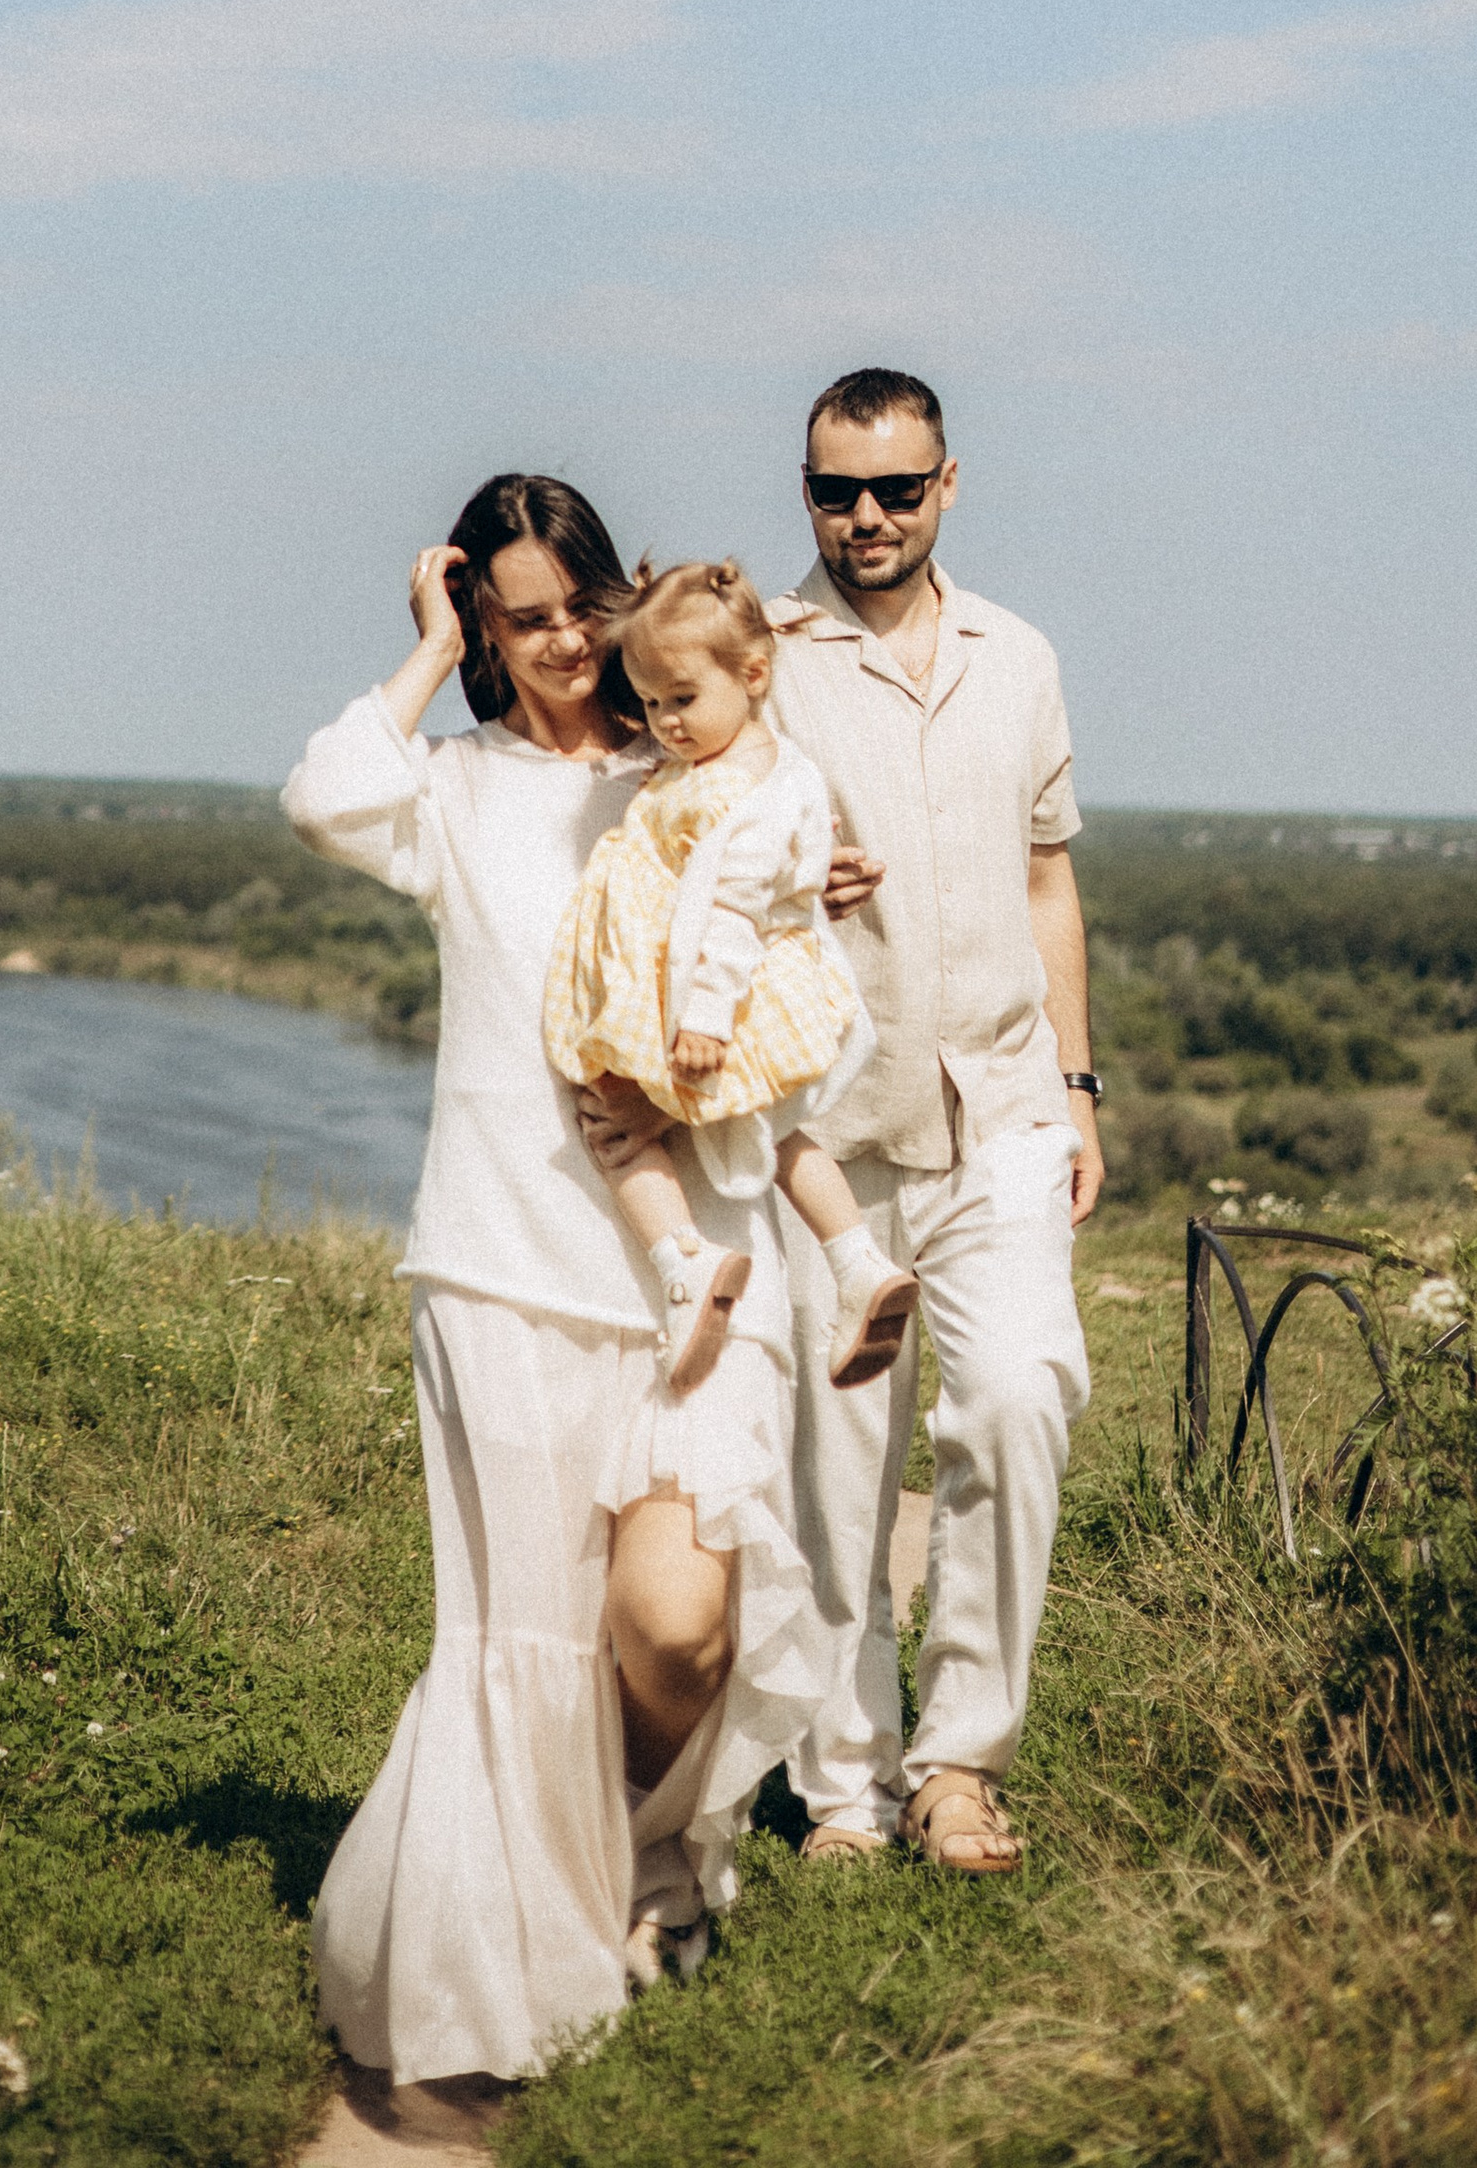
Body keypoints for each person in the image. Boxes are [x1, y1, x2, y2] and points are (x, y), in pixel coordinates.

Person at [285, 474, 826, 2117]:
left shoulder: (684, 768)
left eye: (580, 609)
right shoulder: (453, 786)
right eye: (519, 622)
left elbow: (779, 887)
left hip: (689, 1282)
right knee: (522, 1637)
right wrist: (422, 648)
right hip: (502, 1270)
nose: (564, 647)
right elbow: (322, 791)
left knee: (675, 1625)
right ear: (480, 630)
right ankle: (543, 1948)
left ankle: (635, 1861)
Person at [763, 366, 1099, 1879]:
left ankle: (958, 1762)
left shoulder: (1017, 655)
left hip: (1008, 1103)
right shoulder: (758, 658)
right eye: (839, 490)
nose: (869, 517)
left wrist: (1081, 1086)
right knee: (839, 1465)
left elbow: (1049, 879)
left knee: (1020, 1398)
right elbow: (664, 854)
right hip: (830, 1134)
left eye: (899, 487)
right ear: (810, 493)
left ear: (949, 484)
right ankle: (842, 1785)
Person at [541, 556, 920, 1399]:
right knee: (782, 1136)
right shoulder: (748, 766)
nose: (664, 722)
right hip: (734, 990)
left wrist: (704, 1018)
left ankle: (684, 1260)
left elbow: (734, 915)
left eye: (680, 699)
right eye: (648, 702)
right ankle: (856, 1262)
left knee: (609, 1107)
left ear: (753, 675)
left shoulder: (744, 797)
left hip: (717, 997)